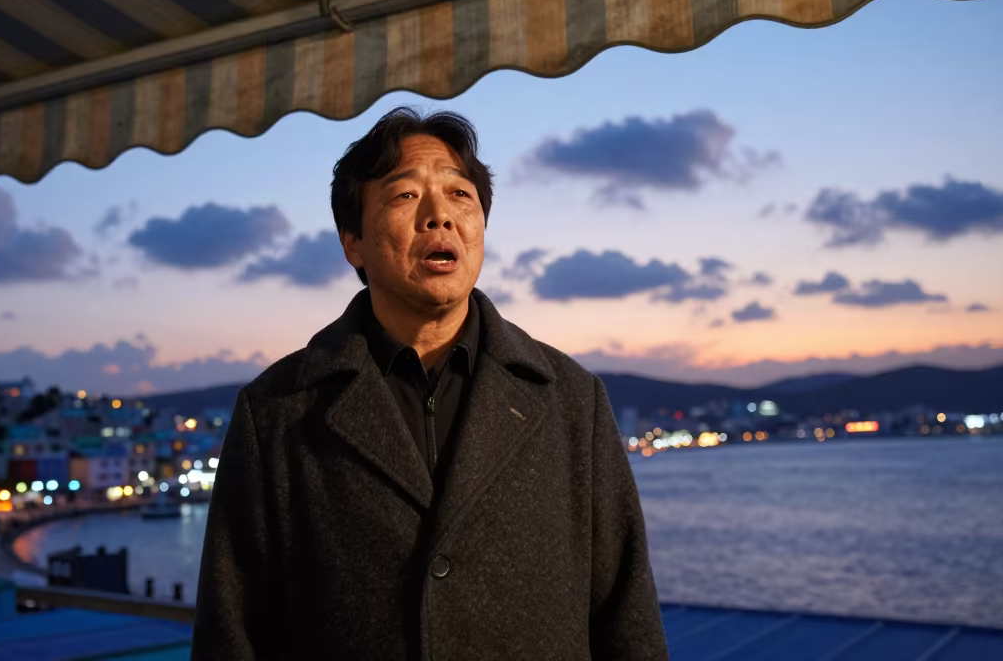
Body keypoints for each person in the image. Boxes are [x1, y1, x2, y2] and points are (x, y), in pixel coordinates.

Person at [192, 107, 667, 660]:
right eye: (405, 196)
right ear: (353, 243)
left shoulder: (569, 398)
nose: (440, 217)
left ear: (481, 227)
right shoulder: (277, 410)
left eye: (460, 195)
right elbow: (231, 631)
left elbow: (626, 613)